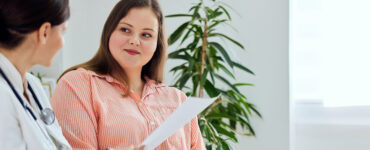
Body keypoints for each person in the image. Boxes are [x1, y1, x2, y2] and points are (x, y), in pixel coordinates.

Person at [50, 0, 206, 149]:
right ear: (109, 32)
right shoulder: (78, 84)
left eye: (146, 35)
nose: (134, 41)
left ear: (157, 44)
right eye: (125, 30)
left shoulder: (179, 101)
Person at [0, 0, 72, 149]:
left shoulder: (32, 85)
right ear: (44, 32)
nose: (62, 42)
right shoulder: (2, 97)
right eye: (63, 31)